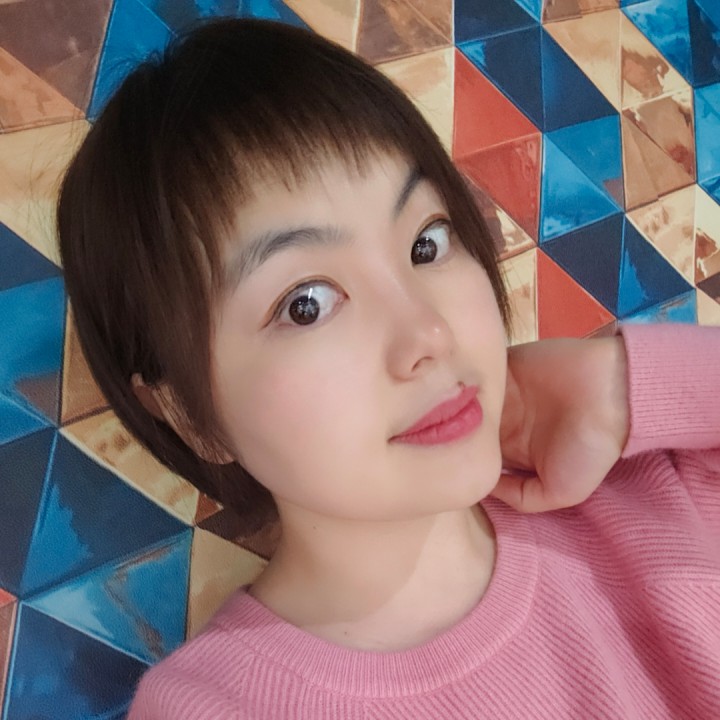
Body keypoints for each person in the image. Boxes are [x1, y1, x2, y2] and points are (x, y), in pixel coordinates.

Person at [56, 17, 720, 720]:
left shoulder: (650, 486)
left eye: (427, 244)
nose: (427, 333)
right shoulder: (218, 707)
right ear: (190, 415)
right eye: (306, 305)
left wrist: (618, 388)